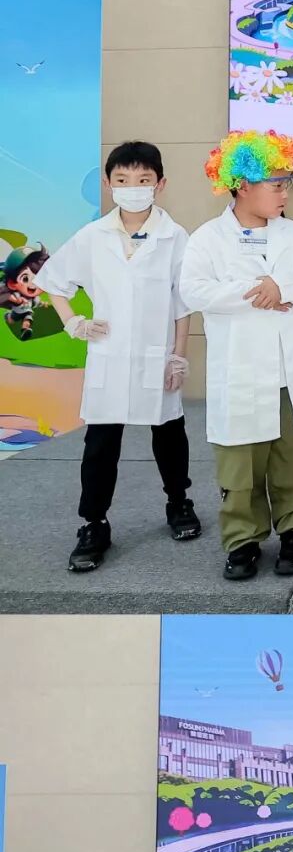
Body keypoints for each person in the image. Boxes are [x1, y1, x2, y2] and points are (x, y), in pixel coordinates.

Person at [180, 130, 293, 581]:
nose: (285, 192)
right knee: (240, 462)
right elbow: (194, 290)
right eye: (277, 183)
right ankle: (242, 540)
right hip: (241, 369)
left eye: (288, 182)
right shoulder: (208, 238)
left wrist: (281, 287)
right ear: (243, 184)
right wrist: (256, 291)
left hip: (291, 369)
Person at [35, 141, 198, 573]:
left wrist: (178, 356)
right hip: (109, 355)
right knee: (101, 443)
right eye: (123, 179)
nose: (133, 187)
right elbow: (53, 281)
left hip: (156, 353)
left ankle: (178, 502)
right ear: (109, 184)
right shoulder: (92, 236)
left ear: (160, 184)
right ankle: (94, 523)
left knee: (169, 432)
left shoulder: (175, 236)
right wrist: (74, 322)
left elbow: (183, 302)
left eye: (143, 179)